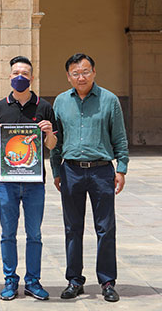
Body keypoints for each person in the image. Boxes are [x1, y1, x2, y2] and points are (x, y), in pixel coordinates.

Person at [50, 53, 129, 303]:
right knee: (72, 228)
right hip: (70, 170)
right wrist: (55, 171)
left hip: (101, 170)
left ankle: (107, 281)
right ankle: (74, 280)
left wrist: (122, 168)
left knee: (105, 228)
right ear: (68, 76)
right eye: (75, 73)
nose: (81, 77)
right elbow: (56, 141)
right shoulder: (61, 102)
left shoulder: (109, 100)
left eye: (85, 71)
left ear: (94, 72)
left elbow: (119, 137)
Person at [0, 56, 57, 301]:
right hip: (6, 181)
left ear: (32, 77)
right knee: (8, 233)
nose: (20, 77)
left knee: (34, 233)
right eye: (16, 72)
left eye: (25, 73)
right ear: (9, 76)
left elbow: (52, 144)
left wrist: (48, 132)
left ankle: (33, 281)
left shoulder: (44, 106)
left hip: (35, 181)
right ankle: (9, 280)